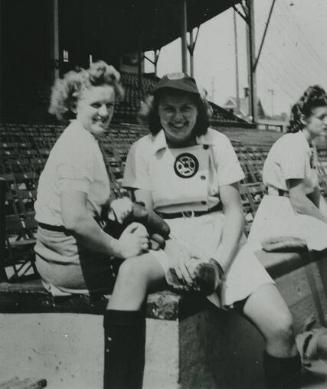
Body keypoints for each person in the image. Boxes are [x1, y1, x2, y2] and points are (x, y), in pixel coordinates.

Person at [121, 73, 301, 389]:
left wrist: (218, 264)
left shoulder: (218, 142)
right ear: (157, 110)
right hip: (169, 239)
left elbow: (234, 211)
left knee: (282, 327)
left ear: (199, 109)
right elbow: (147, 217)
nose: (177, 117)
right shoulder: (143, 149)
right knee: (132, 273)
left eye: (186, 108)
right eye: (168, 108)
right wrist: (172, 251)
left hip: (219, 235)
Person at [34, 61, 170, 389]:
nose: (104, 113)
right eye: (95, 105)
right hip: (67, 260)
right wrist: (119, 248)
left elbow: (89, 208)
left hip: (62, 254)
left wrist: (115, 208)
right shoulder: (77, 145)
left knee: (144, 235)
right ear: (72, 105)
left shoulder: (84, 138)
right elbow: (76, 219)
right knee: (139, 263)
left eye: (110, 105)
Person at [248, 85, 327, 252]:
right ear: (305, 119)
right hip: (280, 212)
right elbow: (298, 200)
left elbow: (315, 195)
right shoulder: (293, 144)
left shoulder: (309, 146)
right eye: (322, 117)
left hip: (293, 212)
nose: (326, 122)